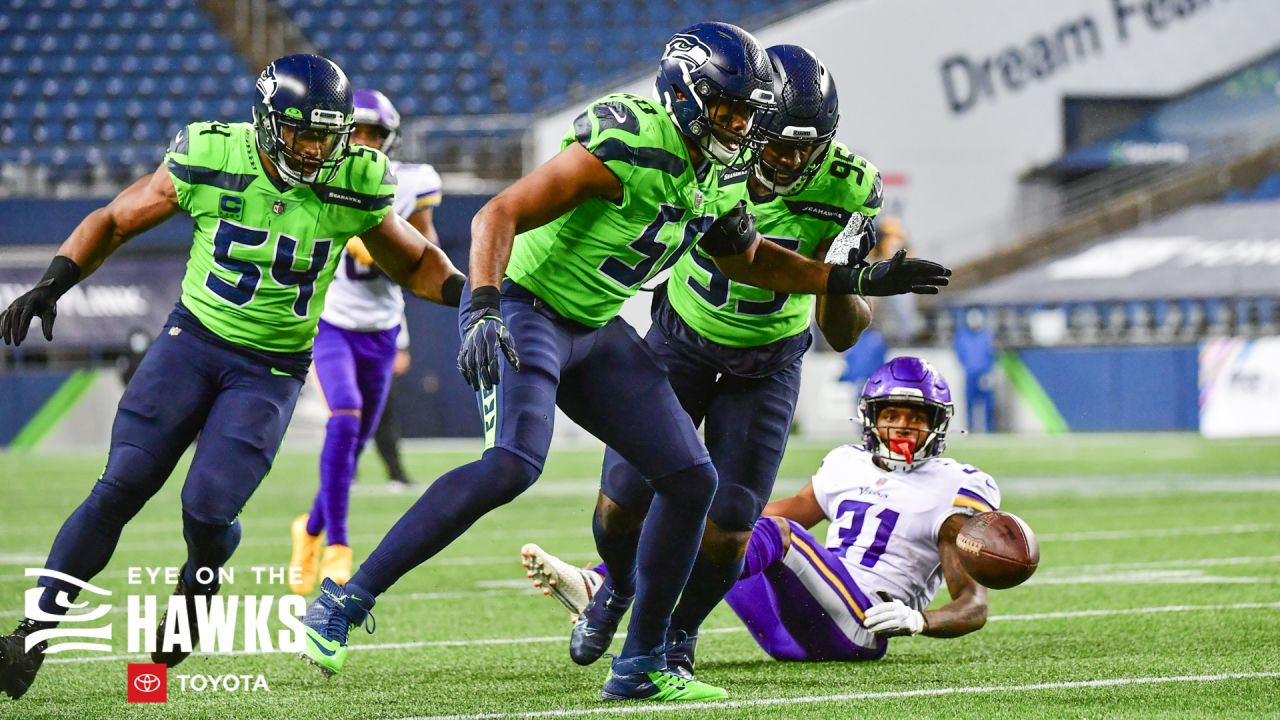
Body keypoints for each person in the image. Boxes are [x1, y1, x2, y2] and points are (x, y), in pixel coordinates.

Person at [298, 22, 950, 703]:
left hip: (596, 326)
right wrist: (483, 306)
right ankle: (344, 600)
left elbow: (747, 258)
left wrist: (856, 282)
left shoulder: (722, 168)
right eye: (726, 109)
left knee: (693, 480)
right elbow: (498, 214)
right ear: (686, 95)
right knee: (513, 465)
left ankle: (641, 662)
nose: (738, 125)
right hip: (530, 310)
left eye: (745, 113)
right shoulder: (628, 141)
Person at [0, 54, 464, 701]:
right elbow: (114, 218)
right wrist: (54, 282)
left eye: (326, 134)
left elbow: (414, 262)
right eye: (302, 133)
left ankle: (186, 609)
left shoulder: (356, 179)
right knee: (122, 483)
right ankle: (32, 636)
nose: (315, 148)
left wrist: (485, 299)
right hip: (190, 343)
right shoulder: (212, 154)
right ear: (268, 124)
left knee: (209, 511)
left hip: (269, 370)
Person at [523, 44, 906, 683]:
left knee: (730, 525)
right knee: (621, 502)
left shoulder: (849, 188)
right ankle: (616, 588)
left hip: (769, 361)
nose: (786, 162)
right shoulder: (707, 161)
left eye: (802, 151)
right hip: (684, 341)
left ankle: (677, 634)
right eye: (776, 144)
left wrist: (841, 277)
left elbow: (843, 333)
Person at [522, 356, 997, 669]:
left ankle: (606, 588)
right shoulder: (845, 462)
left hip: (861, 624)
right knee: (722, 530)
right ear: (871, 417)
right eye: (892, 414)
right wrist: (689, 524)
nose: (902, 426)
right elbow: (766, 517)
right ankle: (604, 580)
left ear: (939, 425)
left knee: (778, 533)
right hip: (786, 630)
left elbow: (973, 604)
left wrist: (920, 620)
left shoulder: (956, 486)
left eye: (917, 418)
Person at [289, 89, 443, 595]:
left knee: (353, 445)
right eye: (355, 131)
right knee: (347, 416)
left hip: (382, 328)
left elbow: (428, 252)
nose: (363, 141)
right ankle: (337, 544)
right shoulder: (316, 177)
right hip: (331, 323)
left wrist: (393, 248)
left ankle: (308, 528)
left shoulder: (411, 182)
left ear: (388, 139)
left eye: (374, 133)